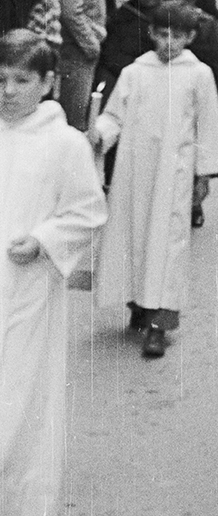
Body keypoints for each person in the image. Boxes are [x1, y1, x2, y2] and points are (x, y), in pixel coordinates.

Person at [0, 30, 107, 516]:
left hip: (28, 291)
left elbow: (87, 211)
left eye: (21, 80)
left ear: (47, 83)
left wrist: (44, 240)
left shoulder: (64, 144)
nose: (8, 91)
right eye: (1, 79)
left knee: (20, 400)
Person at [92, 1, 218, 358]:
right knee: (135, 236)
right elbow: (114, 116)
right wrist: (99, 134)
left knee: (168, 244)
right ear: (151, 33)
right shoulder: (135, 72)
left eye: (177, 36)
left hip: (175, 173)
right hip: (134, 171)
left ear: (190, 37)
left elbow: (207, 126)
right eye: (162, 34)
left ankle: (160, 323)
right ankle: (138, 303)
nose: (169, 43)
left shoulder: (198, 75)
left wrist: (204, 173)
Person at [54, 0, 108, 130]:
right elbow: (71, 11)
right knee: (74, 120)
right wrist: (91, 45)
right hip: (77, 52)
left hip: (81, 50)